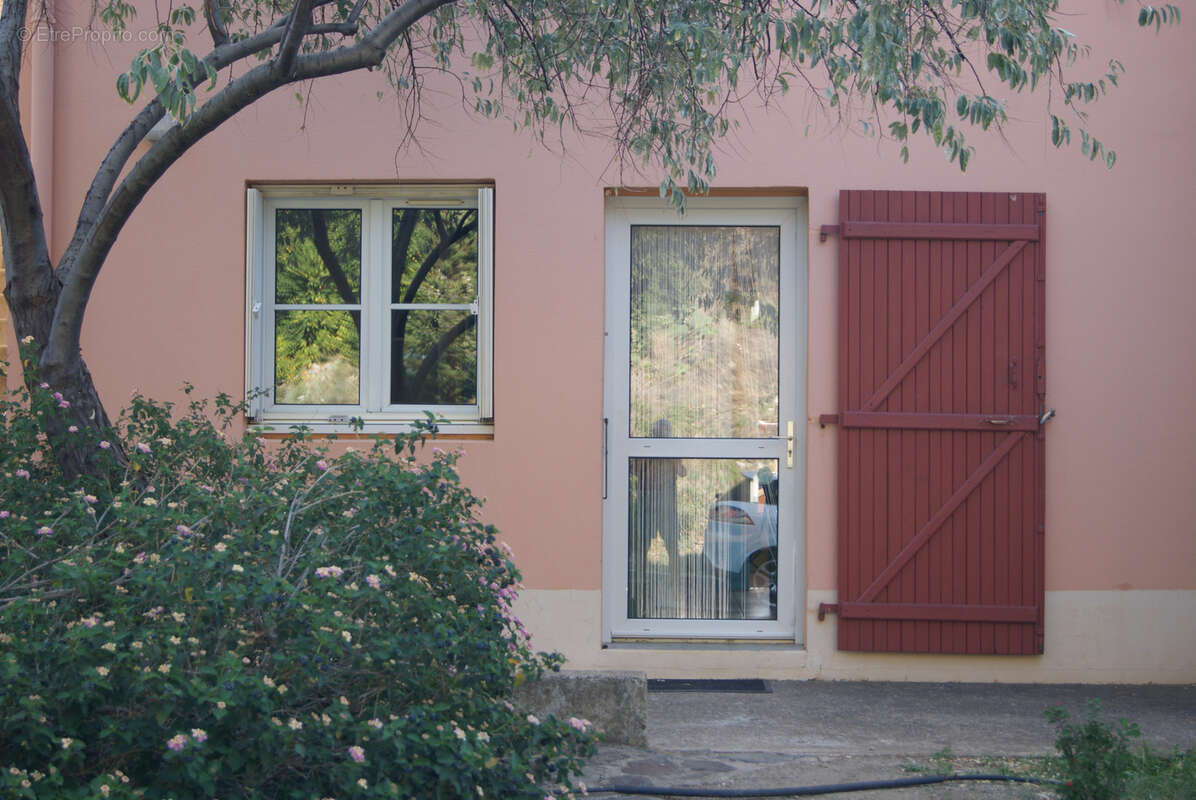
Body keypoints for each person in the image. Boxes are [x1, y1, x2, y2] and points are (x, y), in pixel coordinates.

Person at [628, 419, 687, 617]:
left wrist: (672, 456)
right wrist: (647, 456)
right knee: (642, 546)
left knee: (672, 547)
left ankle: (676, 587)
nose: (660, 434)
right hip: (646, 501)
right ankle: (638, 586)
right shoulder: (645, 447)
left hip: (667, 503)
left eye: (664, 431)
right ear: (652, 432)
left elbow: (682, 472)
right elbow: (633, 471)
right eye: (657, 431)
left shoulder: (672, 448)